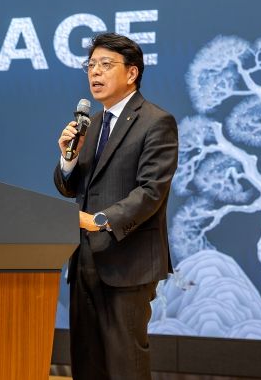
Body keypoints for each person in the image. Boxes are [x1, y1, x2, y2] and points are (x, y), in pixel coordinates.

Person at [54, 32, 178, 379]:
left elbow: (151, 191)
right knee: (87, 360)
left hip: (127, 261)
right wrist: (68, 159)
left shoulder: (156, 121)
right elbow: (69, 187)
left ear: (132, 72)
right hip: (85, 261)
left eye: (106, 64)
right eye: (91, 65)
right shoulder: (91, 125)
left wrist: (99, 220)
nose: (95, 72)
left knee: (124, 364)